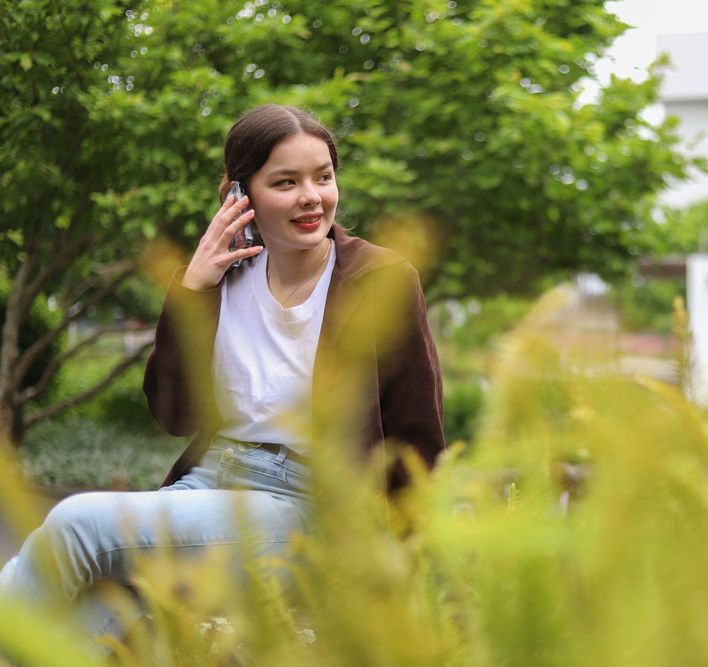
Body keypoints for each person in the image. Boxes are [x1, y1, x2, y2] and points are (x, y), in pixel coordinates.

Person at [0, 104, 445, 654]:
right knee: (93, 624)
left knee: (75, 524)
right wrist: (193, 291)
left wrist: (400, 562)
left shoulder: (379, 279)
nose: (312, 196)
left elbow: (417, 432)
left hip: (309, 509)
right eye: (286, 181)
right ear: (242, 193)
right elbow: (174, 414)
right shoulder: (223, 278)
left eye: (323, 177)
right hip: (209, 485)